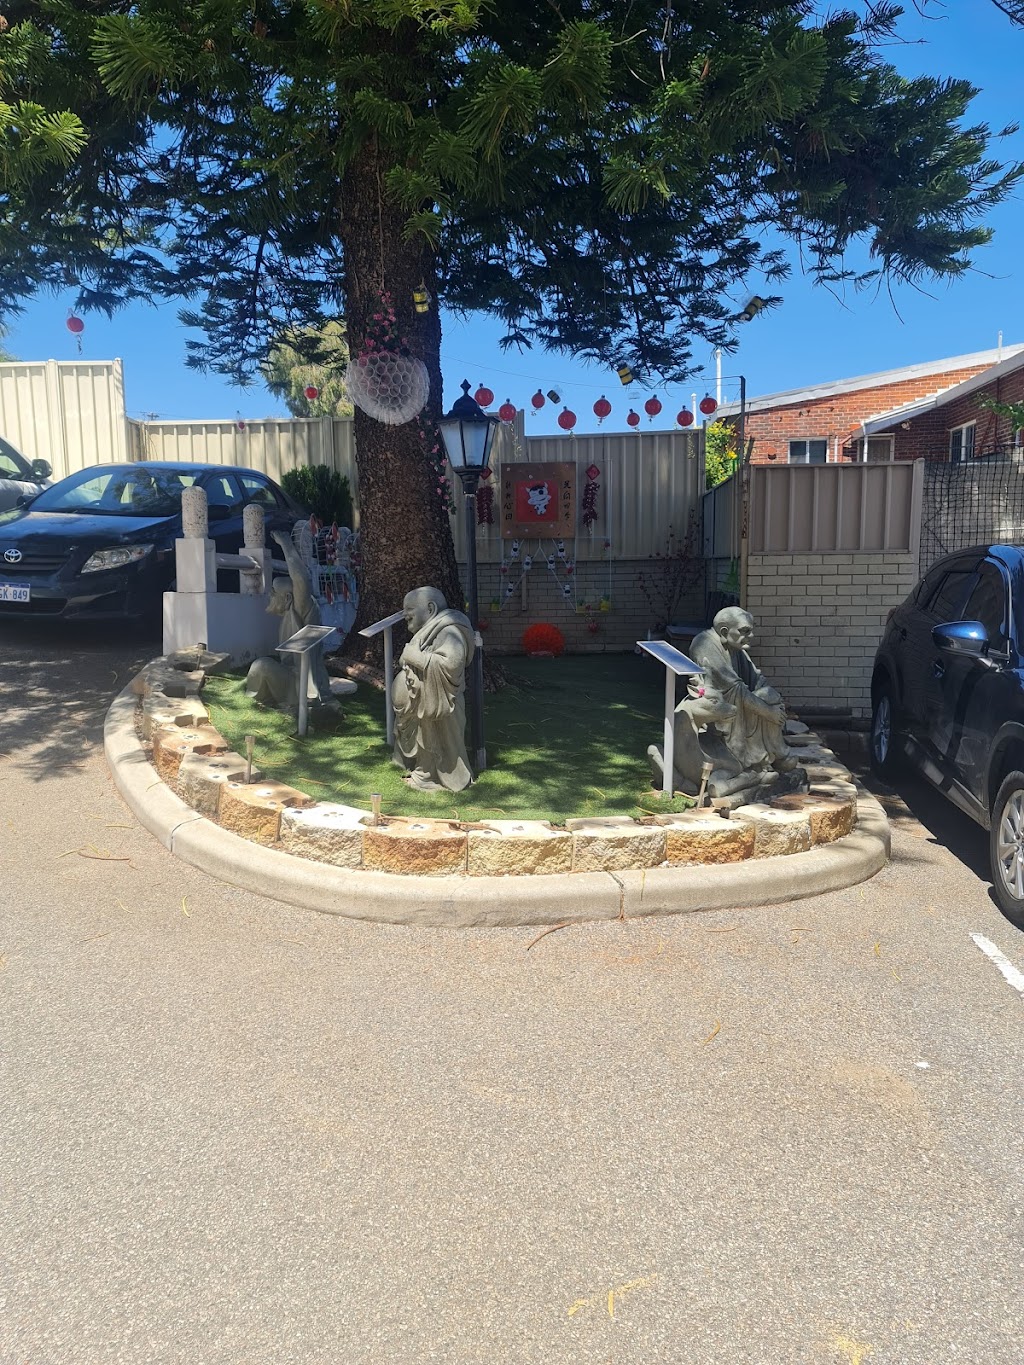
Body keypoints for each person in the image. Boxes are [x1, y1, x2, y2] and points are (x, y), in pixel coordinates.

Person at [688, 606, 798, 776]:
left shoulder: (736, 648)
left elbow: (756, 678)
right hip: (723, 712)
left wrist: (771, 698)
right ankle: (765, 756)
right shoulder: (704, 644)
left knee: (769, 694)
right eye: (745, 631)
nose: (750, 636)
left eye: (751, 631)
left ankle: (774, 753)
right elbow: (736, 689)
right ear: (724, 632)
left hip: (739, 705)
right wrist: (769, 712)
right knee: (766, 702)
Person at [392, 586, 475, 792]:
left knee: (435, 739)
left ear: (430, 608)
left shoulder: (449, 630)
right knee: (424, 737)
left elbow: (451, 664)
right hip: (421, 702)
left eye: (409, 609)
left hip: (440, 703)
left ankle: (434, 777)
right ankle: (424, 771)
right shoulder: (428, 632)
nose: (405, 615)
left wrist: (414, 656)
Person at [244, 529, 333, 711]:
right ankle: (268, 700)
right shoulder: (288, 614)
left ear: (288, 598)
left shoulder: (302, 608)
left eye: (274, 593)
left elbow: (300, 578)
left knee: (261, 666)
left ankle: (277, 701)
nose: (270, 595)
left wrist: (286, 544)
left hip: (298, 682)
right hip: (292, 675)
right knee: (262, 666)